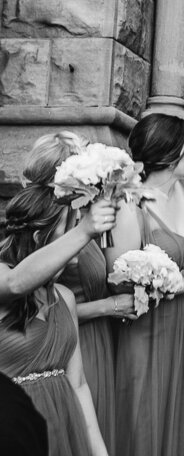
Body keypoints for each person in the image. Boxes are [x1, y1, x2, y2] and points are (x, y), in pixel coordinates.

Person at [110, 113, 184, 456]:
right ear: (168, 152)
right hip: (147, 330)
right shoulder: (130, 205)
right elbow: (119, 279)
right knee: (146, 418)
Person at [22, 132, 134, 451]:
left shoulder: (85, 221)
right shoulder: (44, 233)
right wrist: (107, 307)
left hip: (97, 348)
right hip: (63, 352)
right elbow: (34, 312)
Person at [0, 186, 116, 456]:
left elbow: (78, 384)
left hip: (66, 427)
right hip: (15, 430)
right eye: (70, 230)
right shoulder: (5, 278)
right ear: (41, 236)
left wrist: (100, 452)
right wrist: (85, 230)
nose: (80, 245)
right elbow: (16, 283)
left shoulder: (64, 297)